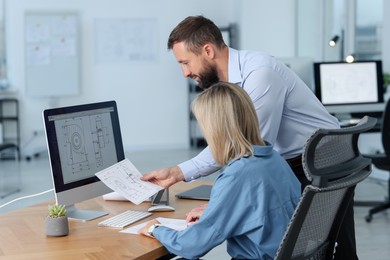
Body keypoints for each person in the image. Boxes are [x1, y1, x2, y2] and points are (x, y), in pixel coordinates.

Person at [141, 16, 357, 259]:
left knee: (339, 248)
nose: (185, 72)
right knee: (307, 243)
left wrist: (219, 208)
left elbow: (242, 148)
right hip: (294, 163)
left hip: (324, 159)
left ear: (208, 50)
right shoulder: (265, 157)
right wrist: (184, 179)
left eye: (185, 62)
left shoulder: (260, 74)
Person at [139, 82, 301, 259]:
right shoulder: (274, 159)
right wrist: (219, 209)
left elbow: (191, 246)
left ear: (215, 129)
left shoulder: (237, 176)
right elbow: (264, 207)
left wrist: (155, 229)